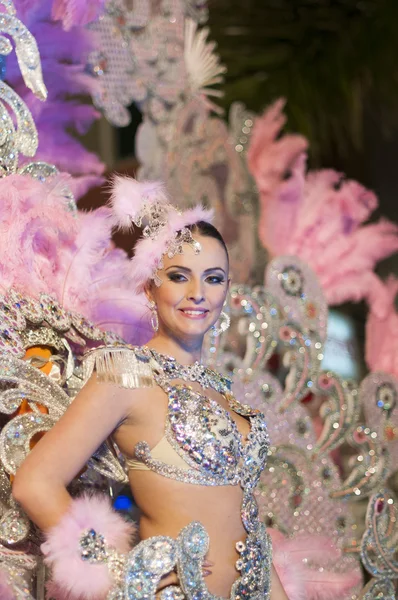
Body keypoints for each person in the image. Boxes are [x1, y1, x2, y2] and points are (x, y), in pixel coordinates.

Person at [12, 176, 289, 600]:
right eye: (179, 276)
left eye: (213, 279)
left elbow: (245, 522)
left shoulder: (222, 391)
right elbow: (35, 482)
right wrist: (121, 569)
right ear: (149, 285)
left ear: (226, 290)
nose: (198, 294)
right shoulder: (127, 374)